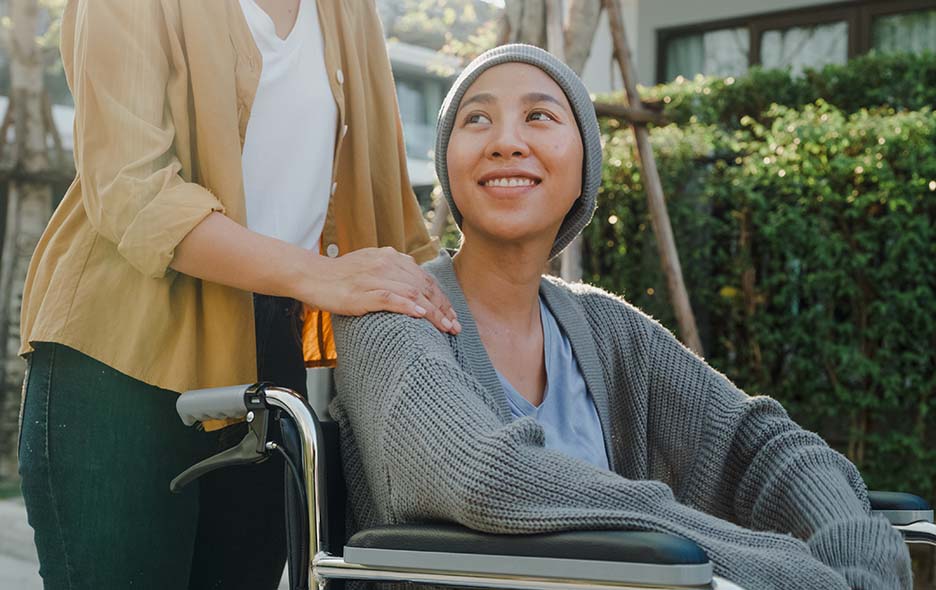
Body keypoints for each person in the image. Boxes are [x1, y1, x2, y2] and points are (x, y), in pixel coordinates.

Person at [330, 44, 911, 590]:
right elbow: (487, 479)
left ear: (584, 168)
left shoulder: (606, 328)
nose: (505, 141)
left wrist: (853, 552)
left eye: (539, 116)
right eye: (476, 119)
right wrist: (771, 564)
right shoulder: (392, 314)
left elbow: (757, 444)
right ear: (448, 163)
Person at [17, 1, 461, 589]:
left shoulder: (350, 11)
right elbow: (132, 189)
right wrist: (319, 275)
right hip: (124, 345)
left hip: (270, 347)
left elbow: (386, 201)